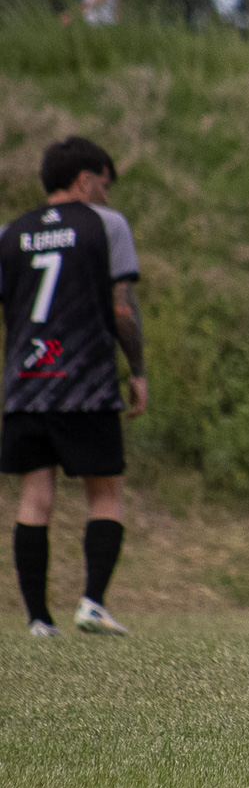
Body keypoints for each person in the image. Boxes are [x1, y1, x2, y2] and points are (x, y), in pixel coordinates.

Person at [0, 137, 145, 637]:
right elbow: (122, 310)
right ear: (85, 179)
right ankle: (92, 603)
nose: (106, 195)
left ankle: (39, 620)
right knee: (106, 494)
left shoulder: (10, 233)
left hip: (26, 385)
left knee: (34, 498)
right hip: (85, 384)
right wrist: (138, 371)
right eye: (104, 184)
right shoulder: (106, 225)